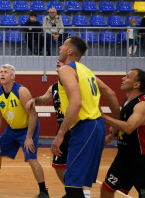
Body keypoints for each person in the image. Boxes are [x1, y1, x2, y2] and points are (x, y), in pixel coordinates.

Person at [26, 59, 119, 198]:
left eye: (62, 61)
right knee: (58, 165)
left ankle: (82, 192)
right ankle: (73, 191)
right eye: (57, 61)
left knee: (81, 165)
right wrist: (34, 99)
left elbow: (96, 102)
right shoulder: (54, 87)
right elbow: (44, 99)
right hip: (64, 127)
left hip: (80, 125)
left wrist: (109, 120)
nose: (58, 61)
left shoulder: (80, 81)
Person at [51, 36, 120, 198]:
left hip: (85, 127)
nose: (60, 47)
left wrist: (60, 135)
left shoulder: (66, 70)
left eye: (63, 45)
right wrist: (115, 123)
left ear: (70, 51)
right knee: (73, 182)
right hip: (96, 127)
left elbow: (76, 103)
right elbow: (110, 92)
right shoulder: (86, 71)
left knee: (72, 185)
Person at [0, 64, 49, 197]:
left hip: (28, 129)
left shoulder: (21, 91)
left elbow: (33, 115)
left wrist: (29, 137)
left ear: (13, 76)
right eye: (1, 72)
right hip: (12, 129)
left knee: (32, 158)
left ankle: (43, 191)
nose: (2, 74)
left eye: (5, 72)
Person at [101, 69, 145, 198]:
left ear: (136, 85)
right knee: (107, 188)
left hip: (142, 161)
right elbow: (121, 129)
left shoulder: (142, 104)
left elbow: (129, 127)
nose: (123, 78)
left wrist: (103, 117)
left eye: (128, 77)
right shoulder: (127, 102)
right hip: (123, 158)